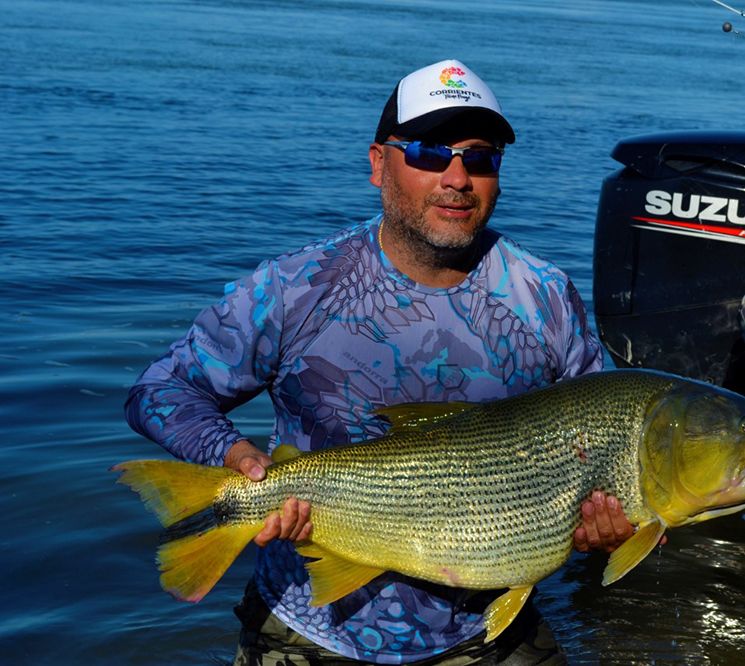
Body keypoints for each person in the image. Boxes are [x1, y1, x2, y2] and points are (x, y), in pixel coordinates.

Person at [125, 59, 646, 665]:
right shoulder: (297, 287)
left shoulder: (547, 298)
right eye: (429, 152)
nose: (457, 178)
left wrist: (609, 526)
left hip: (483, 631)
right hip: (310, 622)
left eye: (479, 156)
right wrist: (234, 458)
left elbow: (608, 442)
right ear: (378, 163)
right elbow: (160, 390)